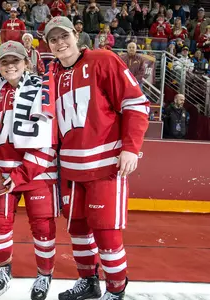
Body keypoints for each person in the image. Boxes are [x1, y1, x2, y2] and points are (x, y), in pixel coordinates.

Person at [44, 16, 150, 300]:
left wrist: (130, 147)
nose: (60, 43)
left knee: (106, 233)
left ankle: (116, 290)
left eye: (63, 36)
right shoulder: (51, 74)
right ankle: (88, 282)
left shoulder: (104, 60)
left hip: (104, 166)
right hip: (70, 168)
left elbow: (136, 103)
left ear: (76, 36)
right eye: (53, 40)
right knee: (77, 229)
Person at [0, 41, 58, 300]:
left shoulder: (43, 89)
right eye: (5, 61)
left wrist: (23, 174)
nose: (10, 65)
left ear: (26, 63)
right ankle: (4, 269)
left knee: (43, 228)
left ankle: (44, 274)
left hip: (38, 173)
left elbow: (50, 137)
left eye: (16, 60)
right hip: (3, 174)